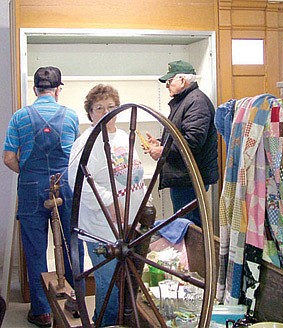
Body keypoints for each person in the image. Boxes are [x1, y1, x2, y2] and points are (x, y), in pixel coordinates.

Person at [3, 66, 84, 328]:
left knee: (36, 249)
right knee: (71, 244)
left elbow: (8, 158)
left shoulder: (19, 117)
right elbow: (76, 157)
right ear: (58, 89)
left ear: (36, 89)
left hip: (31, 186)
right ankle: (76, 301)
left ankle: (42, 311)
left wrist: (29, 173)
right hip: (65, 185)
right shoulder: (71, 116)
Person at [68, 84, 146, 326]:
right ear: (90, 113)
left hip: (129, 225)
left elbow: (134, 174)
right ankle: (103, 323)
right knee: (109, 285)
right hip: (102, 229)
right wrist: (111, 203)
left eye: (111, 107)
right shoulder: (86, 143)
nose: (106, 112)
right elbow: (78, 182)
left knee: (127, 284)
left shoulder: (123, 136)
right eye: (99, 108)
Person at [146, 60, 219, 227]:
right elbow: (183, 137)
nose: (167, 85)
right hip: (186, 178)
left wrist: (163, 150)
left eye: (170, 81)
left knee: (189, 228)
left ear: (183, 80)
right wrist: (160, 143)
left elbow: (192, 142)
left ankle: (195, 254)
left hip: (189, 179)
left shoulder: (196, 102)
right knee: (187, 226)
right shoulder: (188, 100)